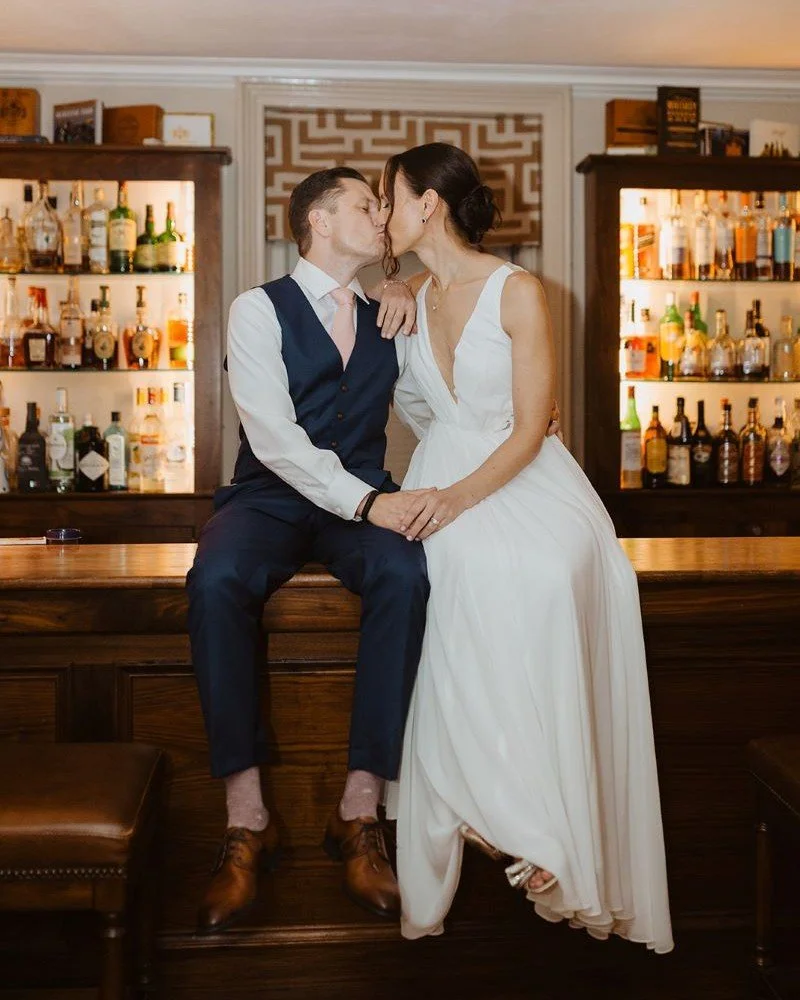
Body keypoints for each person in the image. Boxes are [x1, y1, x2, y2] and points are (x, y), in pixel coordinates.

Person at [381, 142, 674, 953]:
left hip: (516, 478)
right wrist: (395, 285)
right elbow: (402, 402)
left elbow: (531, 424)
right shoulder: (403, 293)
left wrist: (453, 499)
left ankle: (525, 822)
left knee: (533, 581)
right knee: (437, 584)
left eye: (391, 200)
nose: (384, 217)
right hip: (438, 471)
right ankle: (487, 814)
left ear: (428, 206)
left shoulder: (519, 291)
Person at [186, 166, 433, 932]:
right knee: (215, 578)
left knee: (406, 574)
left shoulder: (388, 311)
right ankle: (246, 815)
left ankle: (361, 811)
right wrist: (369, 501)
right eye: (366, 205)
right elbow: (274, 436)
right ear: (318, 221)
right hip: (269, 495)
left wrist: (522, 423)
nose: (382, 217)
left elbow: (434, 405)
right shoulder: (257, 310)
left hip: (356, 501)